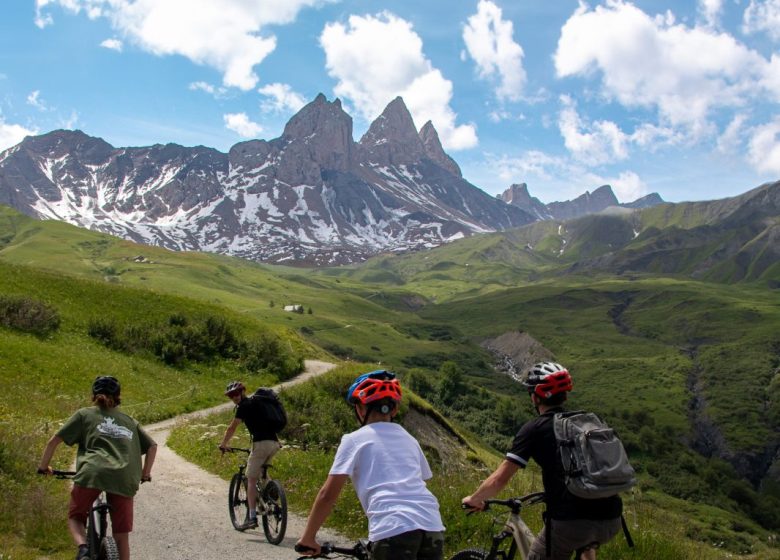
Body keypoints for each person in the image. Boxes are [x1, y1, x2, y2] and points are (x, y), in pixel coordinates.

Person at [462, 362, 622, 560]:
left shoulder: (535, 429)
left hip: (571, 523)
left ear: (535, 397)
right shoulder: (585, 423)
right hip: (611, 518)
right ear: (565, 395)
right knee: (584, 543)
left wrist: (475, 499)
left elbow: (499, 479)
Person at [296, 370, 445, 560]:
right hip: (432, 526)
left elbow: (328, 495)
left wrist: (308, 537)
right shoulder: (409, 439)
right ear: (394, 409)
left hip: (392, 529)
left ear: (360, 409)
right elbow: (420, 481)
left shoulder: (354, 440)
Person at [37, 375, 157, 560]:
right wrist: (145, 473)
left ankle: (83, 549)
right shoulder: (129, 421)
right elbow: (152, 446)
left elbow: (53, 441)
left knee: (76, 517)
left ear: (94, 395)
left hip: (92, 473)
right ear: (118, 397)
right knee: (121, 535)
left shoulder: (84, 415)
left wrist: (43, 467)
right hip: (124, 478)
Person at [218, 380, 282, 530]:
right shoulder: (258, 403)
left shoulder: (244, 406)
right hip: (274, 443)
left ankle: (252, 517)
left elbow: (232, 428)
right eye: (231, 395)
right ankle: (271, 496)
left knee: (250, 479)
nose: (234, 397)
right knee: (262, 472)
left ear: (242, 392)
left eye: (236, 393)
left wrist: (223, 444)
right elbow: (267, 422)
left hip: (261, 443)